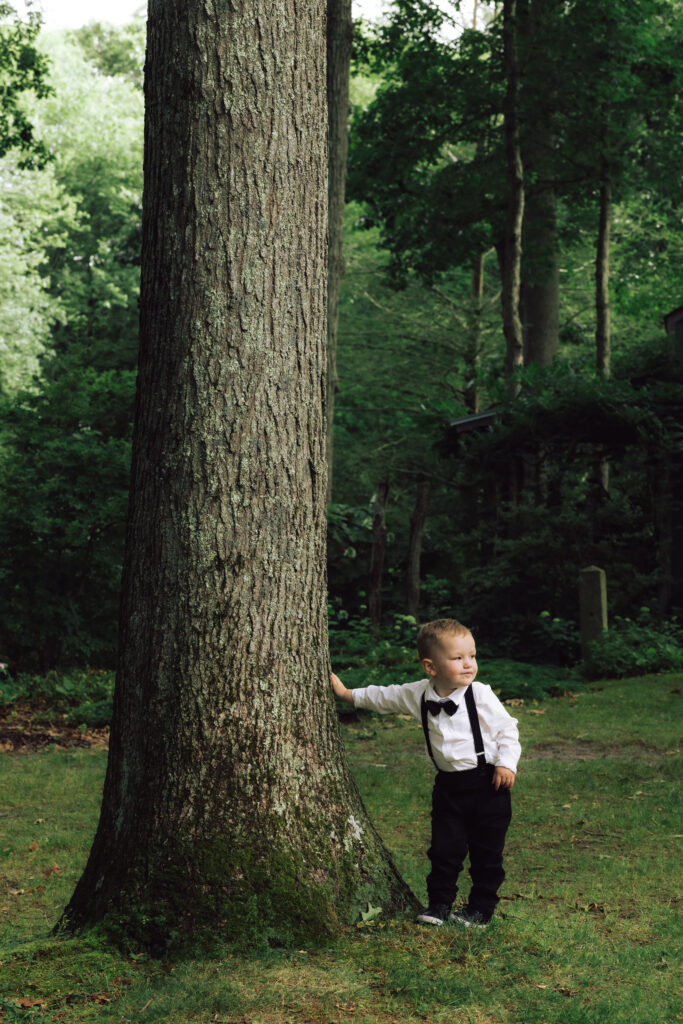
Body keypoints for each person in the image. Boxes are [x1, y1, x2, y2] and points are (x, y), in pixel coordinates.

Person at [330, 618, 520, 928]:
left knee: (487, 852)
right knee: (444, 848)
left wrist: (506, 763)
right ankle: (439, 905)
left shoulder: (480, 694)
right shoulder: (418, 694)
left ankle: (480, 909)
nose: (469, 664)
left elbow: (507, 728)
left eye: (472, 656)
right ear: (431, 667)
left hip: (488, 784)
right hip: (448, 788)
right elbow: (384, 696)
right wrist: (348, 694)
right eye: (458, 658)